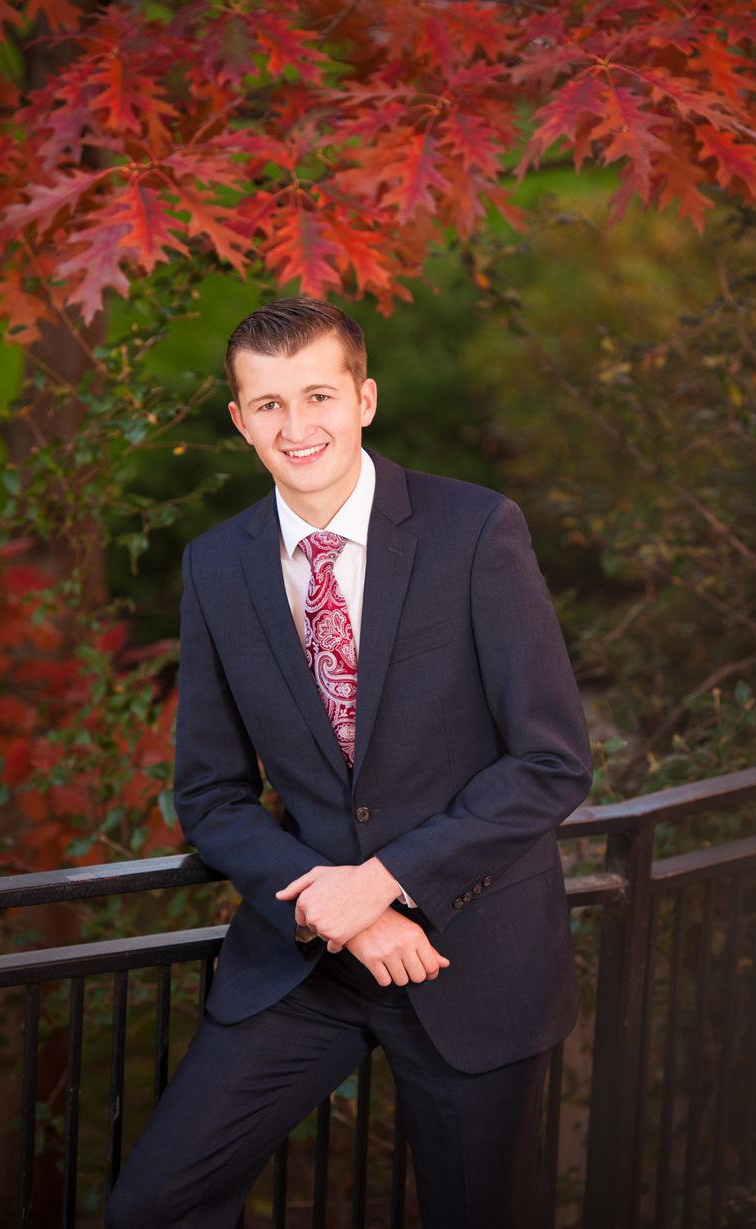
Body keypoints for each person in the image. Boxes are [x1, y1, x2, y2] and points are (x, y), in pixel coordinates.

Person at [105, 297, 592, 1229]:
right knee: (151, 1205)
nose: (299, 426)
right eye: (271, 404)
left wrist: (387, 883)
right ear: (241, 421)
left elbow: (552, 760)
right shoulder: (216, 565)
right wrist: (345, 914)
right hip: (307, 965)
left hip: (470, 952)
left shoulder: (476, 531)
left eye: (319, 394)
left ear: (365, 398)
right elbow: (209, 792)